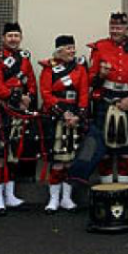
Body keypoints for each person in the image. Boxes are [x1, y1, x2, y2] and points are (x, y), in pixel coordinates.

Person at [0, 22, 38, 216]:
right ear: (3, 38)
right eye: (10, 36)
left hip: (20, 111)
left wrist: (29, 98)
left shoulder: (24, 59)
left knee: (14, 153)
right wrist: (18, 98)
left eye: (16, 35)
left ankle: (10, 195)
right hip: (2, 109)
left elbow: (31, 82)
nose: (13, 39)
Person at [88, 12, 128, 184]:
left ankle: (123, 190)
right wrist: (101, 75)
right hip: (106, 99)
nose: (115, 30)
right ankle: (107, 190)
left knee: (126, 151)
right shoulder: (99, 47)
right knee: (104, 151)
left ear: (126, 28)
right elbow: (91, 79)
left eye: (119, 27)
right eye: (112, 27)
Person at [39, 35, 89, 213]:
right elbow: (46, 93)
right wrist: (62, 112)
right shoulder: (49, 69)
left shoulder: (80, 68)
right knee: (58, 162)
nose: (72, 51)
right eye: (68, 48)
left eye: (73, 48)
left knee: (71, 162)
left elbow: (84, 93)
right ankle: (53, 199)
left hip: (74, 115)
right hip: (56, 115)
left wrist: (80, 114)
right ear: (59, 51)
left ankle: (67, 198)